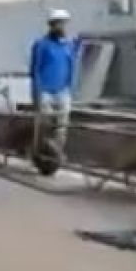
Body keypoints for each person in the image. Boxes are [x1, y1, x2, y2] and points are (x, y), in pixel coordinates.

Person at [30, 9, 81, 161]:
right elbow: (35, 70)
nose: (62, 27)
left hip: (63, 91)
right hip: (45, 92)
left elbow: (72, 67)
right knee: (46, 125)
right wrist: (37, 93)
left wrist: (70, 88)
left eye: (64, 24)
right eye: (58, 24)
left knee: (62, 125)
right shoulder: (41, 45)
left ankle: (56, 154)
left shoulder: (68, 45)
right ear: (51, 25)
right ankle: (42, 154)